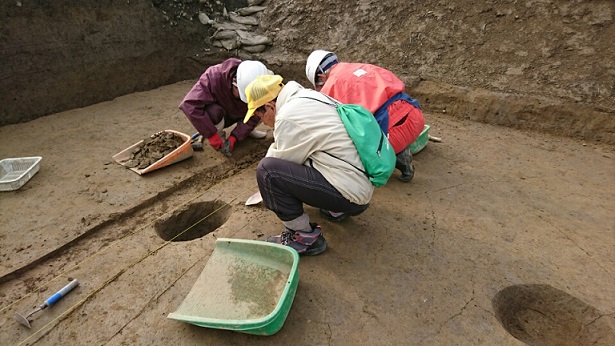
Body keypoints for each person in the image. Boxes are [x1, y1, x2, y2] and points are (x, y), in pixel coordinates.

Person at [243, 74, 374, 255]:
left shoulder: (288, 117)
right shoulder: (308, 97)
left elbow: (280, 163)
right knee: (306, 156)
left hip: (350, 194)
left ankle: (303, 237)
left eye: (260, 117)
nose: (264, 124)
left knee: (267, 173)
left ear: (269, 106)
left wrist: (265, 192)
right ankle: (335, 210)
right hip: (360, 183)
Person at [305, 50, 425, 182]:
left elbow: (328, 125)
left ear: (321, 77)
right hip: (415, 116)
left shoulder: (331, 85)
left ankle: (397, 156)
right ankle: (397, 151)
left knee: (345, 146)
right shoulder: (364, 67)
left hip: (393, 132)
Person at [179, 58, 270, 155]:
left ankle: (246, 131)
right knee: (213, 112)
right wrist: (212, 135)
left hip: (242, 113)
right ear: (234, 82)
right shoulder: (214, 77)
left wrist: (235, 137)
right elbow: (189, 104)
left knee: (263, 108)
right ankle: (219, 135)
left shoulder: (263, 80)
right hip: (222, 115)